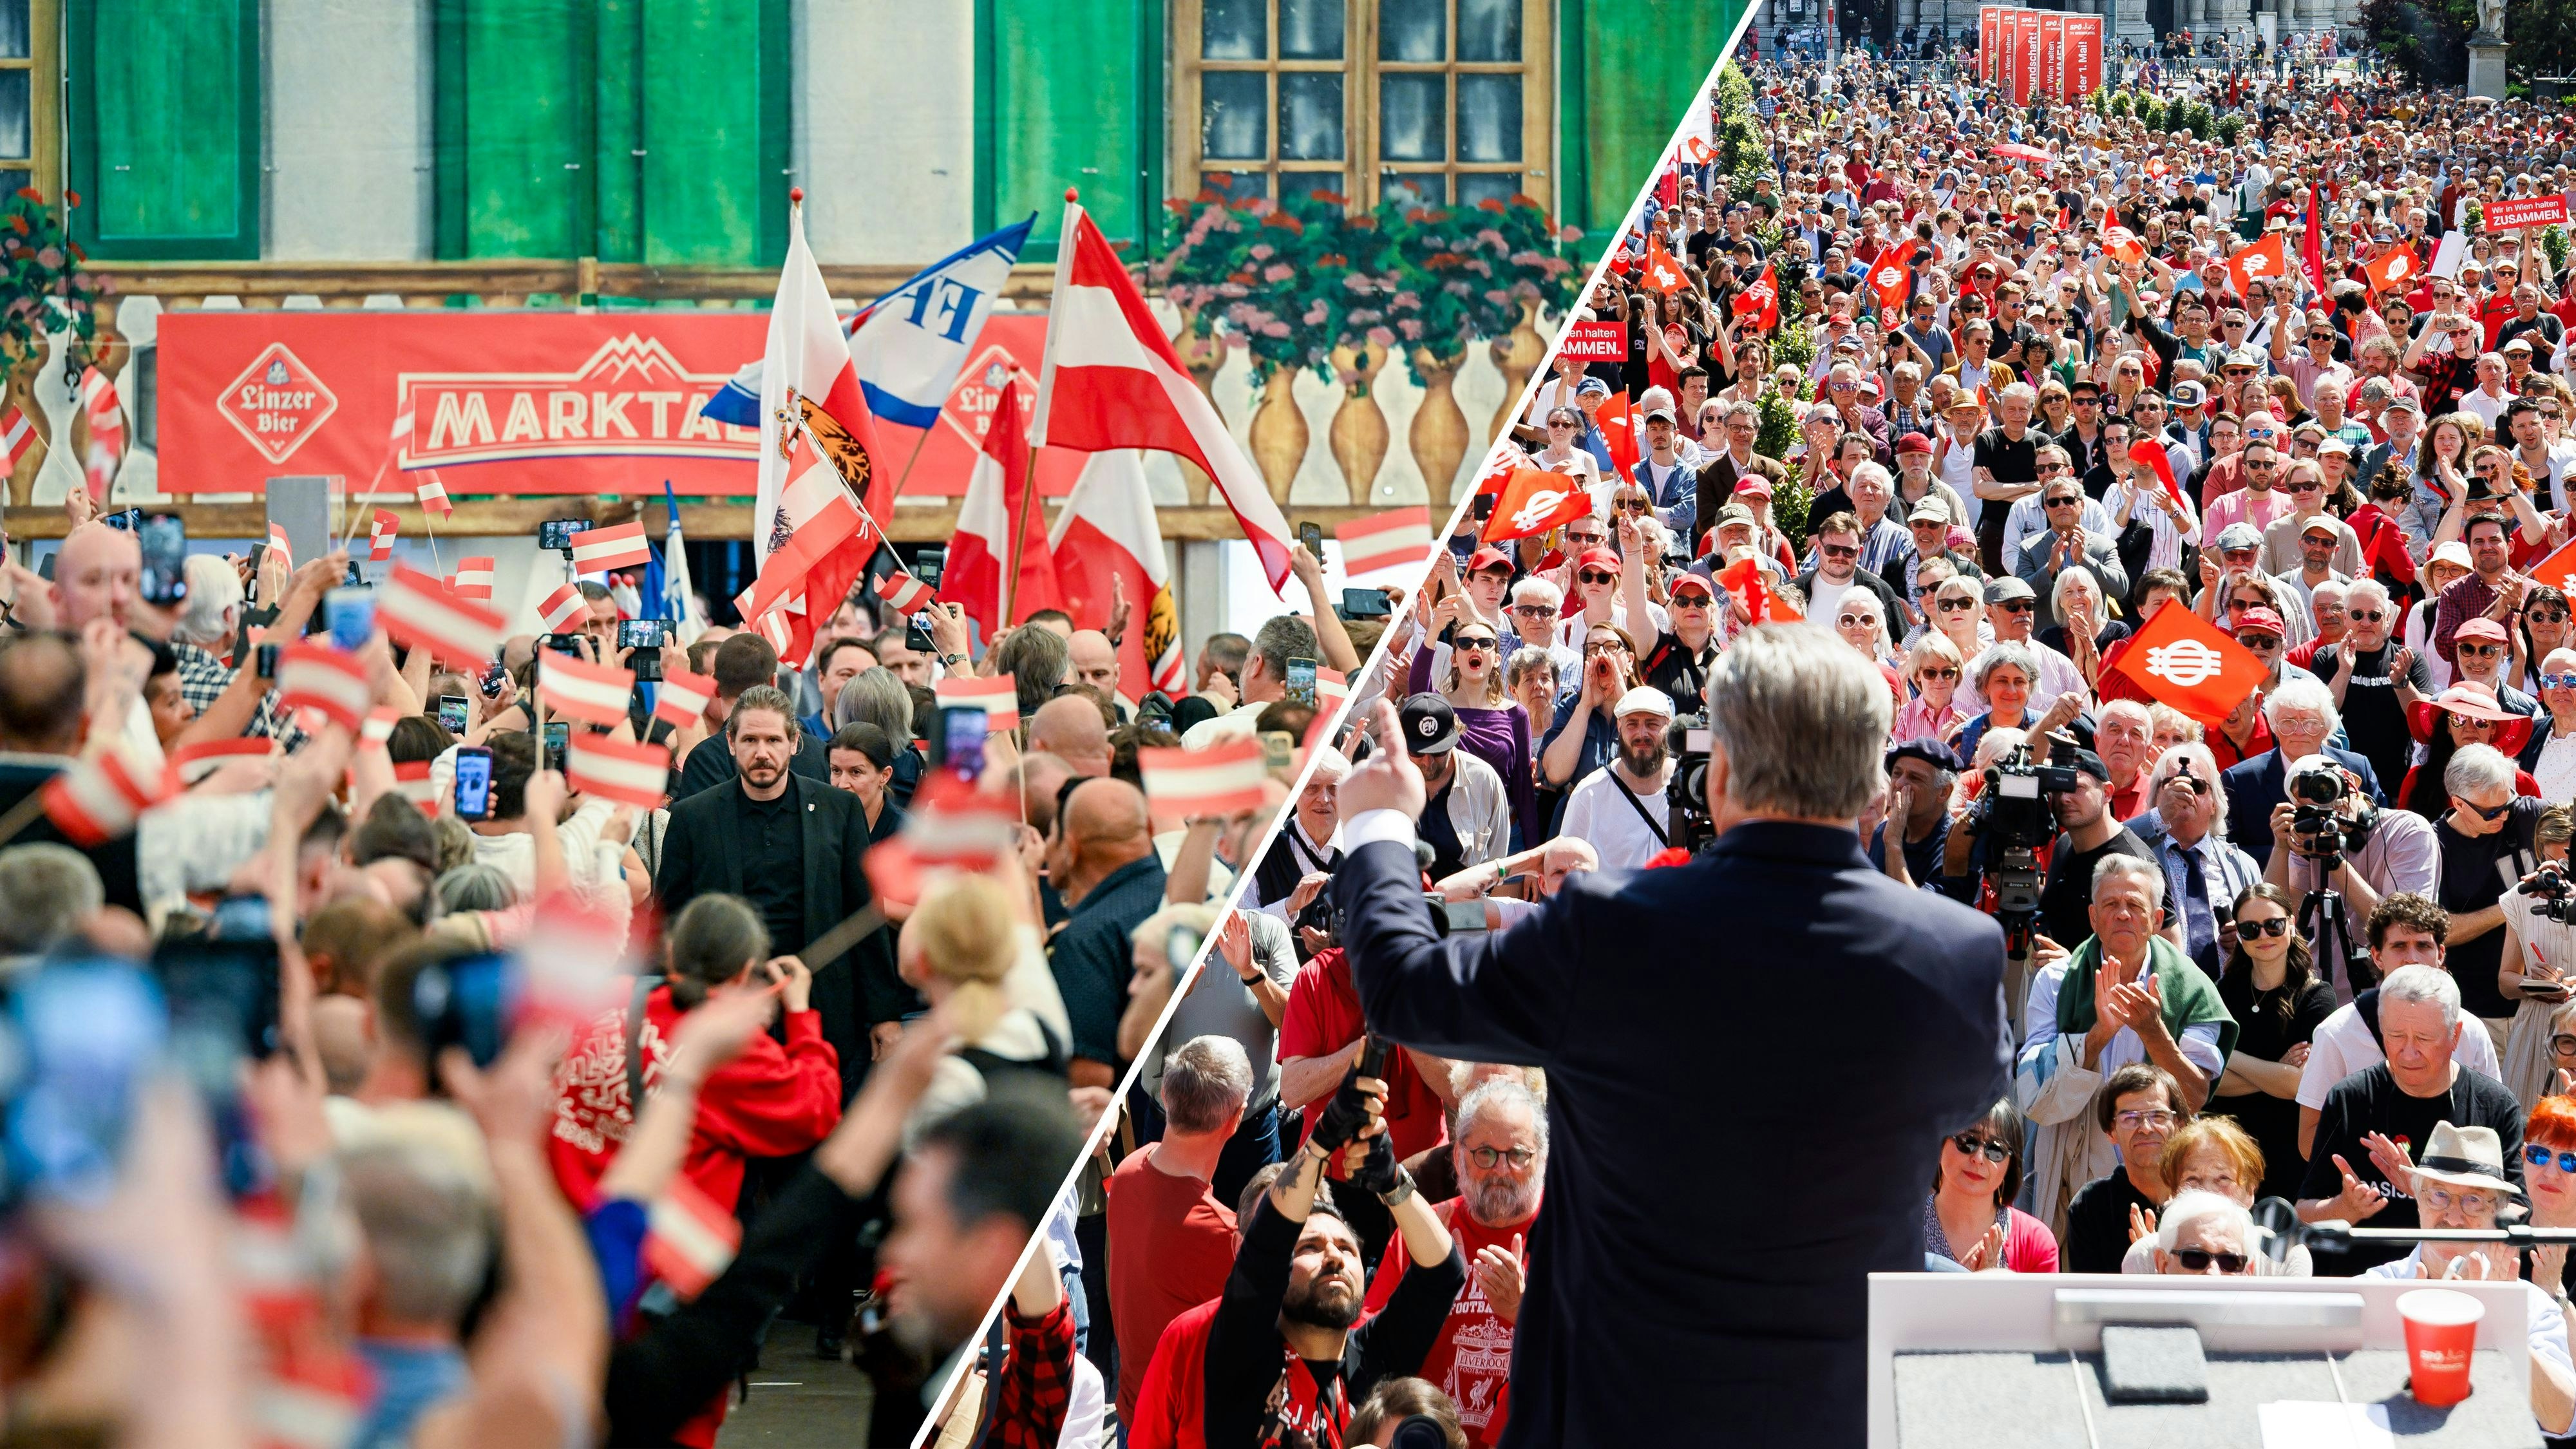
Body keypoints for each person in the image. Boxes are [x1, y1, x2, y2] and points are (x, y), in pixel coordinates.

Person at [1328, 626, 2010, 1446]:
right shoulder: (1955, 955)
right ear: (1872, 784)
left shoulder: (1608, 929)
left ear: (1716, 771)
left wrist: (1379, 826)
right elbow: (1971, 1092)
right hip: (1825, 1414)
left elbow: (1403, 990)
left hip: (1615, 1409)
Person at [655, 684, 905, 1096]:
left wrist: (884, 1014)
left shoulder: (837, 811)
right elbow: (669, 920)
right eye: (750, 740)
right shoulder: (692, 818)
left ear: (794, 742)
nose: (762, 752)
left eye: (773, 740)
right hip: (725, 1007)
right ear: (731, 742)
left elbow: (865, 912)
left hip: (822, 1006)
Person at [1203, 1068, 1468, 1448]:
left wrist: (1392, 1181)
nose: (1333, 1255)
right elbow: (1265, 1246)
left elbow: (1442, 1273)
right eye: (1309, 1247)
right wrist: (1321, 1142)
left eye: (1347, 1248)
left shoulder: (1374, 1360)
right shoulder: (1244, 1352)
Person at [2297, 963, 2527, 1274]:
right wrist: (2345, 1208)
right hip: (2363, 1287)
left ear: (2455, 1035)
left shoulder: (2495, 1105)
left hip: (2464, 1285)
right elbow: (2304, 1215)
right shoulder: (2350, 1099)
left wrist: (2428, 1192)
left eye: (2423, 1039)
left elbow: (2520, 1211)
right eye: (2395, 1036)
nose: (2408, 1053)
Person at [1361, 1077, 1546, 1448]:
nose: (1501, 1169)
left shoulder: (1571, 1242)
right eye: (1486, 1154)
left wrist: (1524, 1313)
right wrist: (1428, 1296)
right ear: (1458, 1157)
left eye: (1518, 1155)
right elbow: (1369, 1346)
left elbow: (1595, 1360)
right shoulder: (1427, 1232)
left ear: (1541, 1158)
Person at [2359, 1121, 2576, 1437]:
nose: (2454, 1216)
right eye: (2439, 1196)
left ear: (2497, 1215)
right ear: (2418, 1200)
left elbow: (2563, 1421)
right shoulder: (2375, 1289)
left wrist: (2501, 1328)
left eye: (2474, 1200)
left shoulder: (2529, 1305)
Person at [1106, 1034, 1253, 1430]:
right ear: (1236, 1118)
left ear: (1167, 1096)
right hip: (1179, 1428)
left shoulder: (1127, 1171)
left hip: (1132, 1413)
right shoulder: (1224, 1236)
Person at [2211, 882, 2338, 1200]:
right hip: (2230, 1150)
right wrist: (2275, 1072)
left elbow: (2300, 1084)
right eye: (2251, 929)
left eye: (2273, 925)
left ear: (2291, 924)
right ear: (2239, 935)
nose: (2263, 936)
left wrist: (2230, 1056)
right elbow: (2210, 1080)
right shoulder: (2223, 992)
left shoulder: (2317, 997)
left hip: (2288, 1153)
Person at [2061, 1064, 2194, 1274]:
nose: (2146, 1128)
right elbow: (2091, 1300)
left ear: (2179, 1125)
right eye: (2130, 1118)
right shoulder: (2091, 1205)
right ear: (2110, 1132)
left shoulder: (2202, 1200)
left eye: (2158, 1116)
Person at [1549, 687, 1676, 871]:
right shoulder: (1590, 794)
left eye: (1652, 724)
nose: (1642, 734)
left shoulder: (1690, 788)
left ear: (1669, 726)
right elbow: (1563, 869)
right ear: (1619, 727)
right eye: (1632, 724)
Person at [1926, 1099, 2059, 1273]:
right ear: (1940, 1143)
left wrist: (1993, 1287)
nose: (1979, 1159)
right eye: (1968, 1142)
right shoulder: (1900, 1228)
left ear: (2011, 1164)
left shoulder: (2036, 1242)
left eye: (1996, 1150)